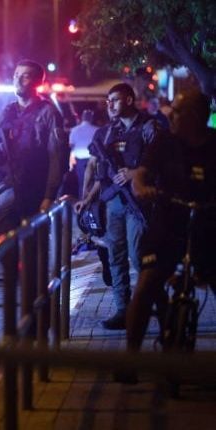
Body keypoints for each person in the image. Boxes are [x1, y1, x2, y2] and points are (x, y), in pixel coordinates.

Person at [125, 89, 216, 365]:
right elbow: (141, 174)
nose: (171, 116)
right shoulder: (164, 142)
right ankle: (129, 359)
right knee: (146, 284)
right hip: (168, 223)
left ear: (196, 117)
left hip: (207, 226)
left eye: (177, 112)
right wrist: (142, 188)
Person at [79, 83, 162, 330]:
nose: (110, 105)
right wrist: (87, 197)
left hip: (139, 201)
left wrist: (135, 174)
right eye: (108, 101)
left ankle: (151, 303)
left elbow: (162, 162)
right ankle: (123, 309)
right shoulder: (106, 133)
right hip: (113, 201)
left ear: (128, 100)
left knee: (138, 255)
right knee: (115, 255)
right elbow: (98, 170)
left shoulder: (149, 127)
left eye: (114, 100)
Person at [0, 59, 66, 238]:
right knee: (3, 247)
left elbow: (56, 158)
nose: (18, 80)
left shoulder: (48, 113)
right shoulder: (7, 113)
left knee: (34, 249)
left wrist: (49, 196)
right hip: (8, 190)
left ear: (37, 82)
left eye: (25, 76)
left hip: (35, 192)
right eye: (16, 75)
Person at [69, 109, 98, 198]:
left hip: (80, 161)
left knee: (82, 183)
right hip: (94, 160)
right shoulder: (96, 130)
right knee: (93, 184)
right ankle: (91, 202)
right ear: (92, 118)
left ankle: (82, 201)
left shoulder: (74, 130)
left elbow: (71, 145)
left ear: (82, 118)